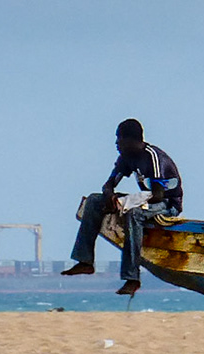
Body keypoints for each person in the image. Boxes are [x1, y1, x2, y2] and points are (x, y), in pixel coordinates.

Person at [63, 119, 183, 294]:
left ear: (131, 140)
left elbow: (158, 195)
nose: (116, 144)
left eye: (119, 139)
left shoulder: (154, 157)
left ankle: (132, 278)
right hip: (147, 199)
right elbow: (108, 185)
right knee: (94, 200)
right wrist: (111, 196)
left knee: (134, 214)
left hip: (166, 204)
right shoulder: (126, 158)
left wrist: (127, 202)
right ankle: (85, 261)